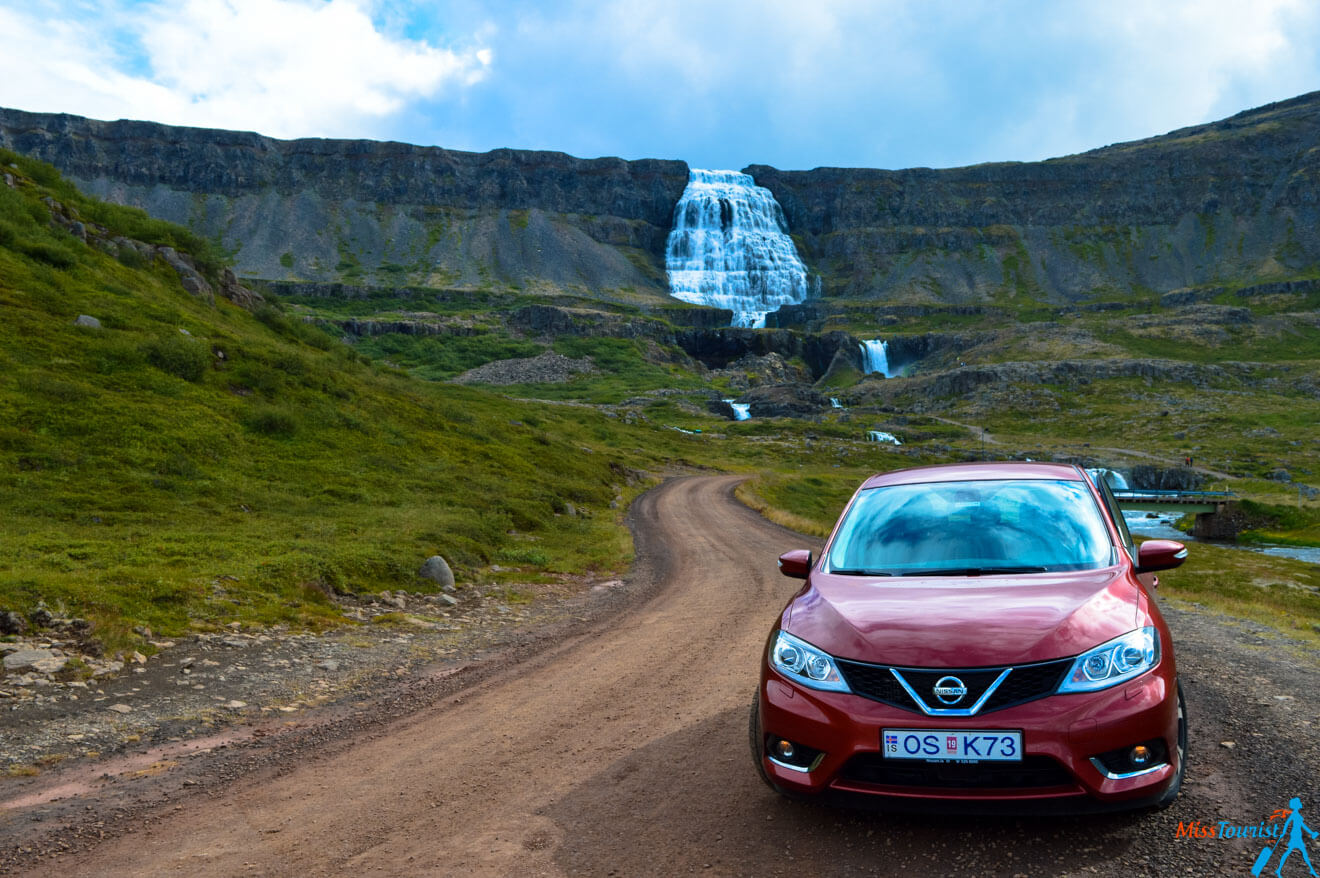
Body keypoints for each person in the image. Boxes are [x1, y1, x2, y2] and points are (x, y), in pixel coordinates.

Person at [1275, 797, 1318, 877]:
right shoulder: (1294, 814)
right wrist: (1283, 832)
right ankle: (1279, 870)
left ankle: (1279, 870)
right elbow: (1287, 823)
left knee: (1297, 853)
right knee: (1298, 853)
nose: (1300, 804)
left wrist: (1311, 832)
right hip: (1295, 836)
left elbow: (1302, 825)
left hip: (1297, 836)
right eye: (1299, 803)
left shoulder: (1296, 814)